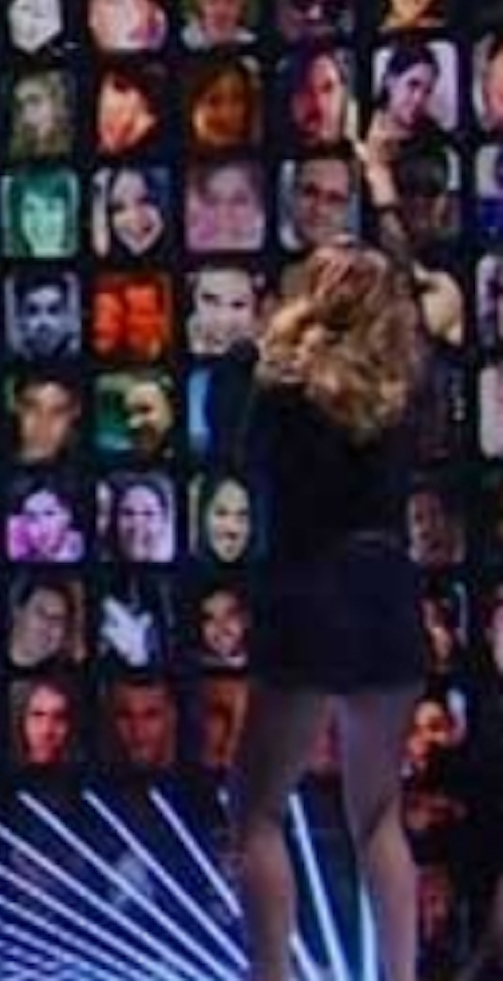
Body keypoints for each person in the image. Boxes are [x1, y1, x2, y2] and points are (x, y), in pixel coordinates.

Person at [232, 130, 432, 981]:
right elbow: (410, 292)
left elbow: (245, 458)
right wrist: (380, 182)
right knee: (379, 813)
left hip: (311, 592)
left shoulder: (280, 386)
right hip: (386, 592)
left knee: (257, 812)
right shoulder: (407, 384)